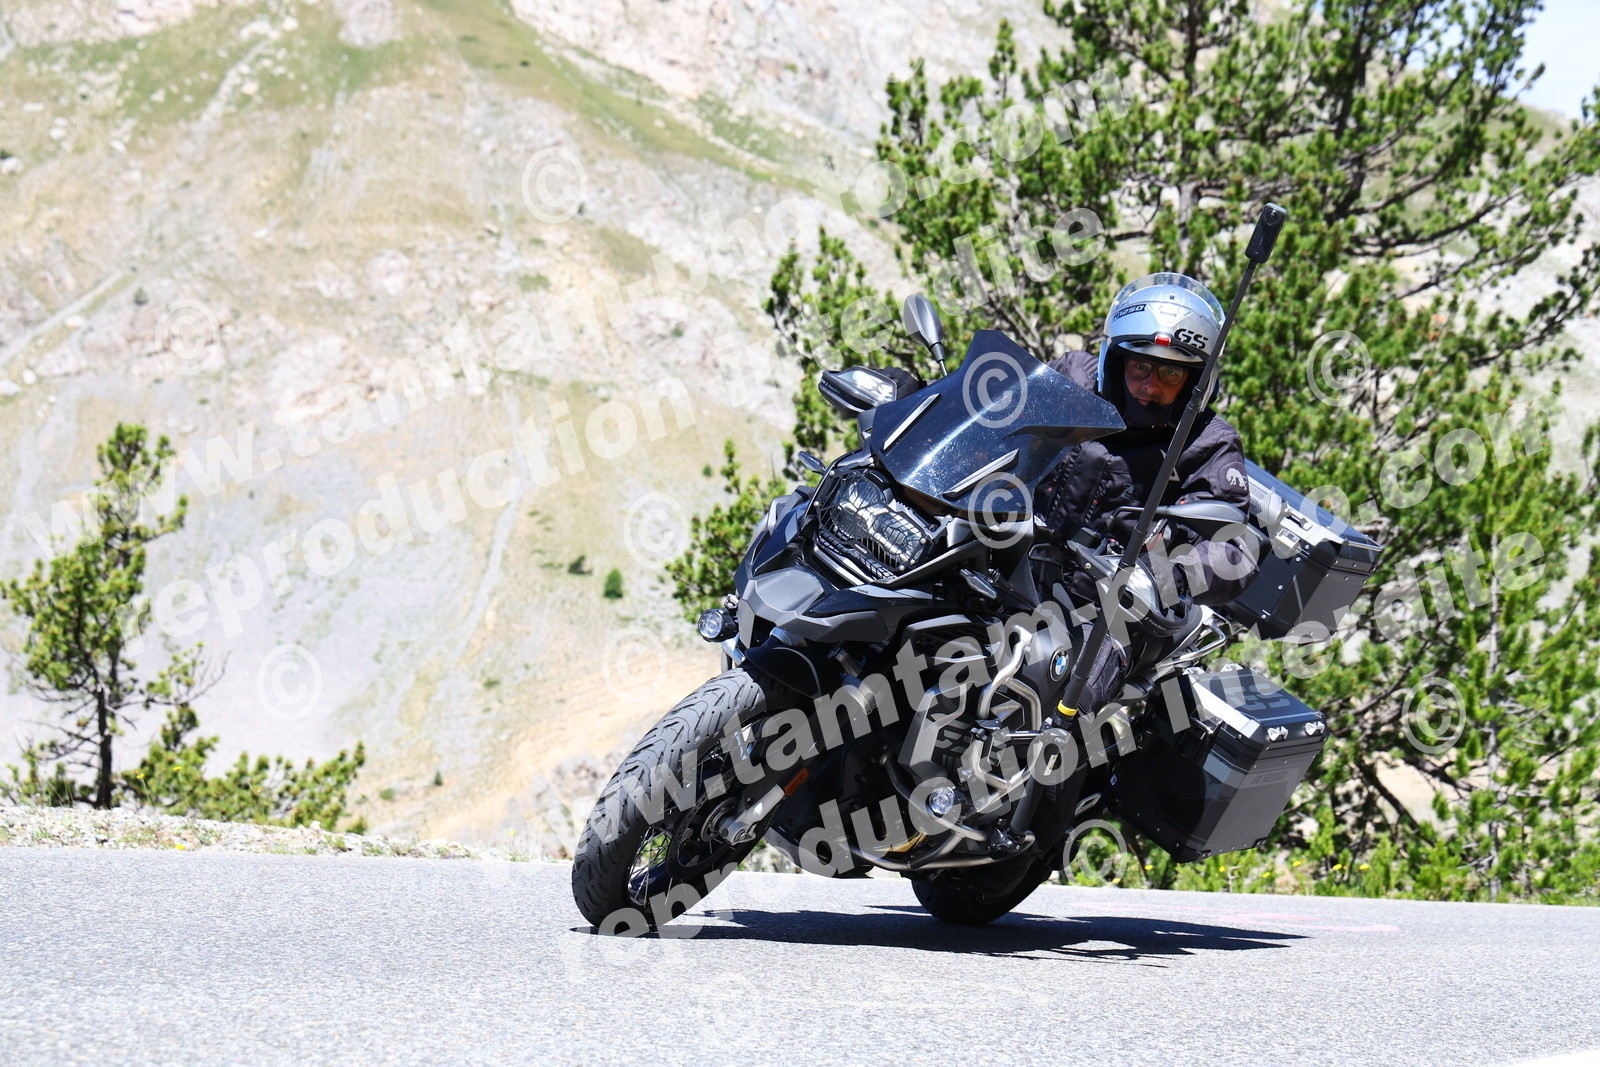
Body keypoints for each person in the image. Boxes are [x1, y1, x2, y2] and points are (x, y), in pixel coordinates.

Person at [1036, 272, 1261, 712]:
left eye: (1171, 372)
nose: (1150, 386)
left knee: (1060, 702)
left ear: (1196, 380)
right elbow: (995, 408)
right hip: (1014, 561)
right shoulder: (1073, 378)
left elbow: (1237, 549)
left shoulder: (1207, 442)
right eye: (1139, 366)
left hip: (1108, 610)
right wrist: (916, 397)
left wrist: (1168, 575)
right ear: (1116, 359)